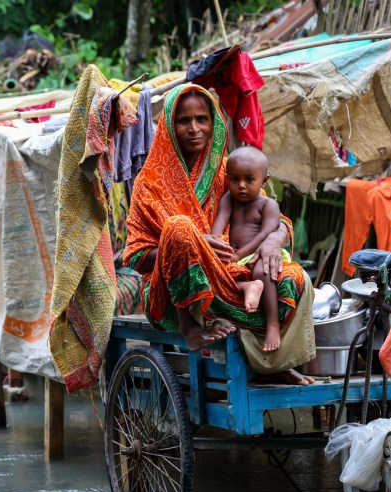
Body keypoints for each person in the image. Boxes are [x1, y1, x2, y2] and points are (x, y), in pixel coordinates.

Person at [123, 84, 316, 385]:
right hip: (170, 295)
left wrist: (273, 240)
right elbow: (136, 257)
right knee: (179, 227)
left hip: (230, 277)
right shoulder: (148, 184)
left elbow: (275, 219)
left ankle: (272, 362)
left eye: (202, 119)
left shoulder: (231, 172)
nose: (194, 128)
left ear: (213, 122)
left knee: (294, 276)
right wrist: (194, 247)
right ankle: (190, 328)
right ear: (169, 126)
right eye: (184, 121)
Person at [210, 146, 285, 352]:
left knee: (263, 271)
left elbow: (265, 235)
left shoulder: (268, 205)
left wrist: (238, 255)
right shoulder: (228, 199)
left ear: (264, 180)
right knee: (212, 270)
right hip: (234, 255)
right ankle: (247, 287)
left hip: (259, 253)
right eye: (235, 179)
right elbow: (219, 224)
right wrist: (214, 248)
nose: (241, 185)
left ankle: (272, 324)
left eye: (249, 179)